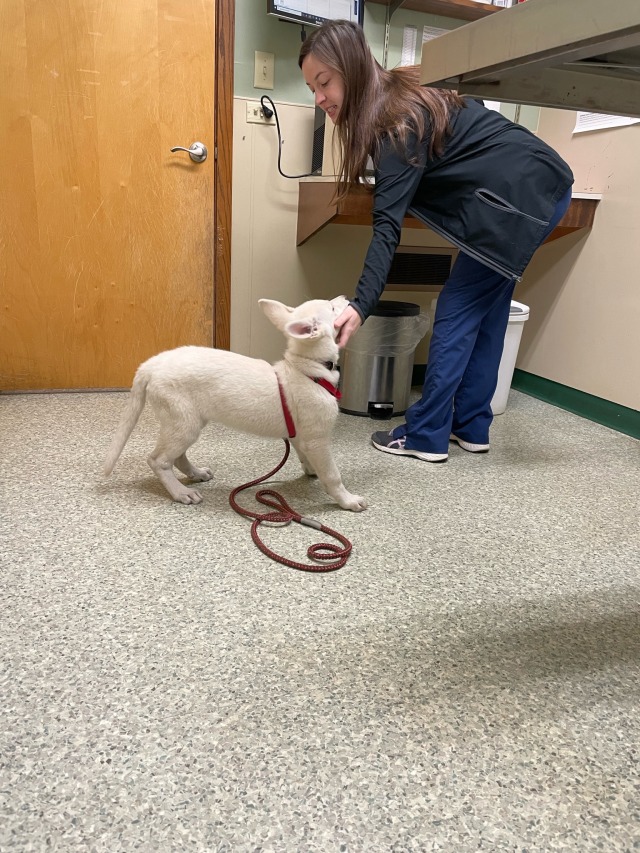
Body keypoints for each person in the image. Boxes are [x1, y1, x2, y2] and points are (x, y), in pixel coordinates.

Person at [299, 20, 574, 462]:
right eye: (312, 86)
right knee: (489, 309)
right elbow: (472, 104)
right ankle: (472, 426)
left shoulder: (393, 124)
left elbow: (386, 229)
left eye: (324, 82)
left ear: (351, 68)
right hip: (541, 185)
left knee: (457, 307)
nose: (319, 98)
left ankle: (426, 434)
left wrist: (359, 304)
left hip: (523, 196)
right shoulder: (406, 84)